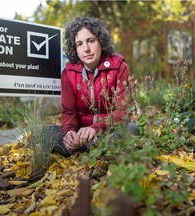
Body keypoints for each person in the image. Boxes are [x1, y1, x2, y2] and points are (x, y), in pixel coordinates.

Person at [51, 17, 138, 157]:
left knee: (131, 129)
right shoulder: (68, 73)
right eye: (79, 44)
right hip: (80, 132)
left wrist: (95, 129)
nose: (86, 49)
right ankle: (91, 148)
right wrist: (69, 133)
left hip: (108, 130)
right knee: (44, 133)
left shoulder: (119, 67)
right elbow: (68, 112)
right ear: (75, 49)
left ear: (101, 43)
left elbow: (123, 112)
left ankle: (86, 149)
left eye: (91, 41)